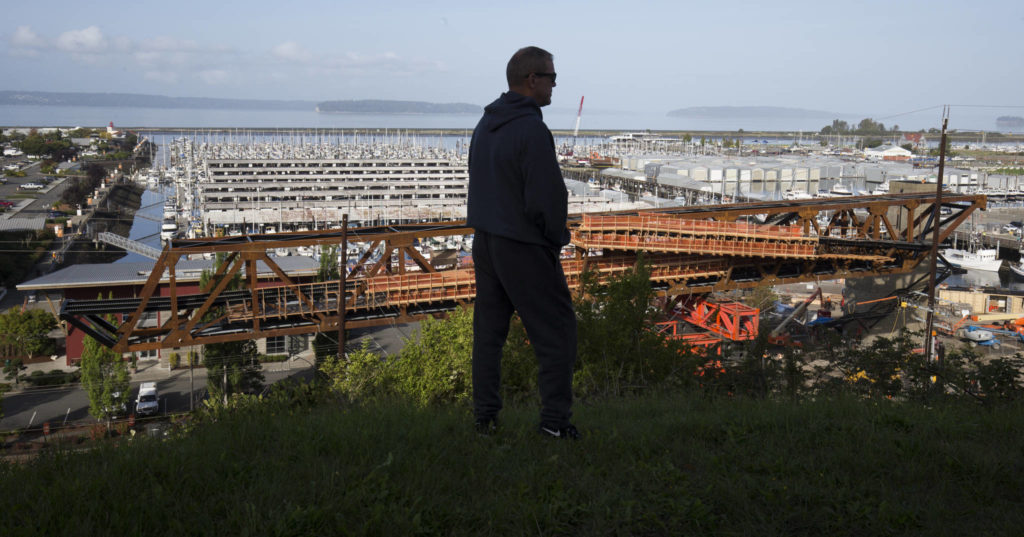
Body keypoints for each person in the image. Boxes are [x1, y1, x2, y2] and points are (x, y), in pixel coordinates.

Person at [467, 46, 579, 440]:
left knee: (489, 334)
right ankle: (554, 424)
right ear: (532, 79)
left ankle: (485, 418)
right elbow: (547, 199)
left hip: (486, 241)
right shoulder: (531, 129)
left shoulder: (486, 123)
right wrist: (553, 241)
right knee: (556, 333)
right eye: (551, 77)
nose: (554, 85)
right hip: (524, 245)